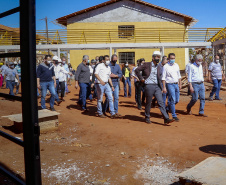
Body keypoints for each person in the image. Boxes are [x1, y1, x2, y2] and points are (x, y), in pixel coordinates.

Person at [135, 51, 173, 124]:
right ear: (153, 57)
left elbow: (159, 78)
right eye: (157, 57)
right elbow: (137, 70)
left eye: (159, 57)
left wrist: (161, 87)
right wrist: (141, 78)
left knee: (161, 102)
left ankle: (166, 118)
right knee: (148, 102)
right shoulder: (146, 64)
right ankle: (147, 116)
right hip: (148, 85)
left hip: (157, 86)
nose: (158, 58)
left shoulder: (158, 67)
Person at [162, 53, 181, 121]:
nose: (172, 59)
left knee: (177, 100)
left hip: (176, 84)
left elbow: (179, 75)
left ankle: (167, 109)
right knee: (172, 99)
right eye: (171, 58)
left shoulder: (176, 65)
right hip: (169, 84)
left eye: (173, 58)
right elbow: (163, 77)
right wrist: (164, 87)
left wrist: (180, 84)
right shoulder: (166, 66)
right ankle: (174, 115)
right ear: (168, 59)